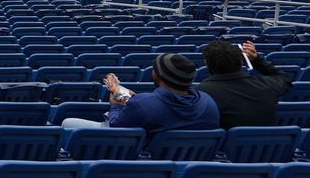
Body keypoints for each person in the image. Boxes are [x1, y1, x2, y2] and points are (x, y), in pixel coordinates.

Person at [63, 51, 220, 143]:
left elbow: (116, 129)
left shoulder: (144, 104)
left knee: (67, 122)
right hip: (188, 162)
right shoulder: (209, 102)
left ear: (160, 76)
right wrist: (133, 101)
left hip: (144, 154)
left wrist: (116, 106)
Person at [196, 38, 293, 131]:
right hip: (270, 146)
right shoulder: (266, 85)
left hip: (226, 147)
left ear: (207, 64)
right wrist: (257, 60)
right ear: (241, 61)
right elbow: (285, 78)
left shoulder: (201, 92)